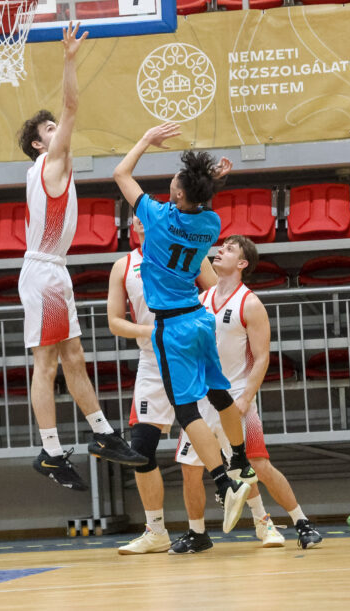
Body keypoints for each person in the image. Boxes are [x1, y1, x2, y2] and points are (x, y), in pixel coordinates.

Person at [16, 21, 145, 491]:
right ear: (39, 143)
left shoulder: (45, 169)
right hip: (45, 272)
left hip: (51, 270)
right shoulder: (51, 163)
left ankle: (102, 435)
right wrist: (69, 60)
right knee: (49, 363)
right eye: (50, 129)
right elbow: (72, 106)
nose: (60, 130)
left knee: (72, 357)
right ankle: (51, 452)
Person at [112, 122, 254, 535]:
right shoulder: (211, 223)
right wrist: (210, 181)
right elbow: (197, 202)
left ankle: (225, 483)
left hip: (171, 326)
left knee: (187, 411)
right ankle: (241, 461)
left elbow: (121, 173)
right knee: (219, 394)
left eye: (175, 181)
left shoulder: (155, 218)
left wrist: (144, 139)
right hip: (200, 318)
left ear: (176, 194)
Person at [172, 235, 323, 552]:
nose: (220, 250)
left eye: (229, 249)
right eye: (221, 246)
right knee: (190, 469)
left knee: (256, 464)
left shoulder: (250, 303)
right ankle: (198, 533)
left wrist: (246, 397)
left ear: (242, 263)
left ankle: (300, 523)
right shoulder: (201, 300)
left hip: (234, 396)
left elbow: (263, 357)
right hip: (201, 399)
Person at [107, 215, 218, 554]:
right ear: (132, 228)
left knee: (228, 447)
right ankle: (156, 531)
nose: (140, 220)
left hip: (189, 357)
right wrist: (151, 332)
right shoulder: (123, 266)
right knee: (141, 449)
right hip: (152, 362)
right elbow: (115, 321)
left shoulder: (186, 251)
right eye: (135, 217)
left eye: (146, 214)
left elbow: (217, 295)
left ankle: (262, 520)